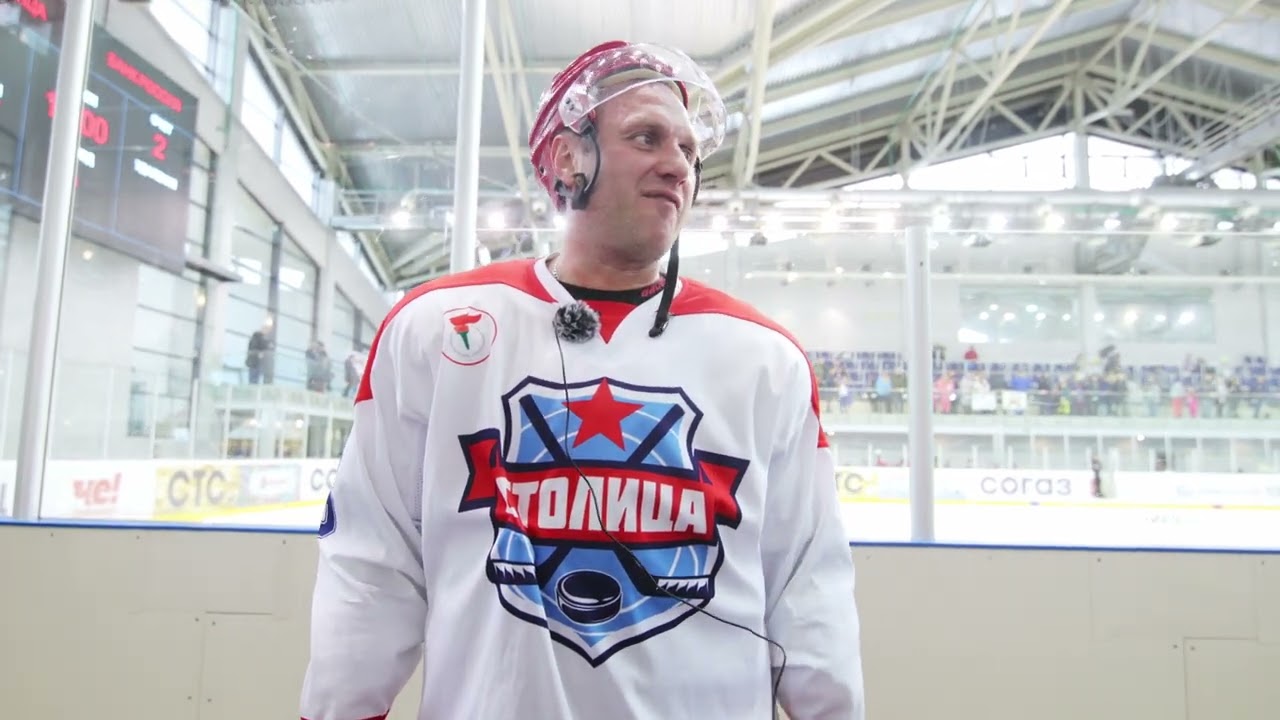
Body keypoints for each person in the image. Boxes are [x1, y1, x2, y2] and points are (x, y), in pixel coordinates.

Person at [300, 40, 864, 720]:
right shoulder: (434, 329)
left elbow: (809, 588)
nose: (677, 166)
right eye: (646, 137)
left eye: (689, 151)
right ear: (568, 159)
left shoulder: (766, 357)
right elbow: (371, 566)